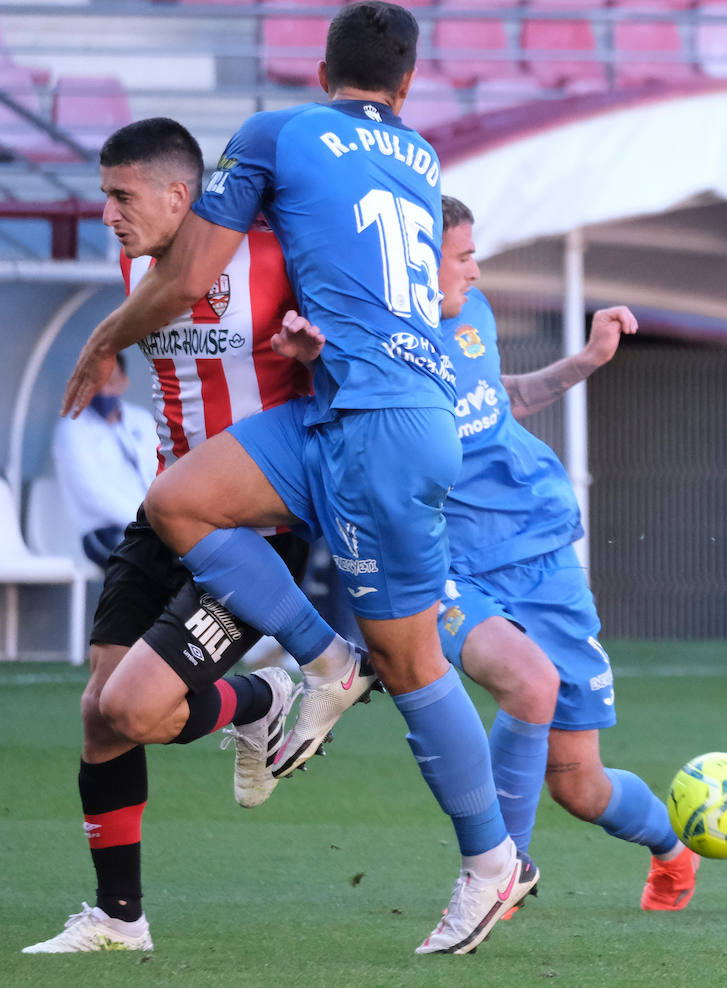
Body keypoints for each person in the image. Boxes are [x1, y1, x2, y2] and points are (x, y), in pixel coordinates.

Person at [59, 3, 533, 955]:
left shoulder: (278, 133)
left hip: (379, 425)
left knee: (413, 665)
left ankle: (491, 863)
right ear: (406, 87)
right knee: (176, 500)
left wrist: (104, 338)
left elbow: (190, 277)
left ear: (321, 73)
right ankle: (321, 664)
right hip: (354, 409)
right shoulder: (420, 159)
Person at [26, 117, 315, 954]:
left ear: (180, 194)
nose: (108, 214)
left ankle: (262, 697)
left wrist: (314, 352)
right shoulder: (138, 267)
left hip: (255, 528)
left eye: (122, 196)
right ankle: (120, 920)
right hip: (164, 513)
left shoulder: (277, 254)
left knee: (134, 708)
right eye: (104, 196)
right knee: (101, 714)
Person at [431, 197, 698, 911]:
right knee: (527, 681)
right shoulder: (372, 336)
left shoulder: (473, 313)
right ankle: (500, 877)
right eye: (463, 256)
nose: (476, 270)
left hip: (541, 548)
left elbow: (500, 400)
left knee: (579, 785)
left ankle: (672, 852)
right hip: (451, 565)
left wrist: (585, 361)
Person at [52, 352, 158, 568]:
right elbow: (94, 494)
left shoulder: (141, 420)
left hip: (151, 525)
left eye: (110, 383)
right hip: (102, 532)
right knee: (155, 559)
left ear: (124, 383)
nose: (103, 391)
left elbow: (161, 472)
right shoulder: (73, 429)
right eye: (95, 383)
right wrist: (145, 522)